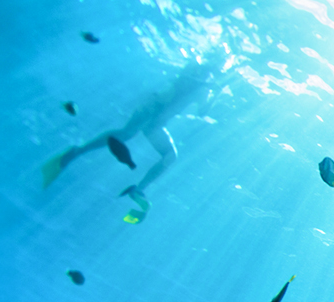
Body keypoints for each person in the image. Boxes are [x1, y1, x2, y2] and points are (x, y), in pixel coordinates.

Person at [41, 61, 212, 222]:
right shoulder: (198, 80)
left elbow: (197, 107)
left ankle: (138, 190)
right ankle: (78, 152)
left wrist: (212, 90)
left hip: (155, 118)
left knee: (165, 153)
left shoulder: (200, 83)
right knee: (127, 134)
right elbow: (195, 103)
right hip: (153, 110)